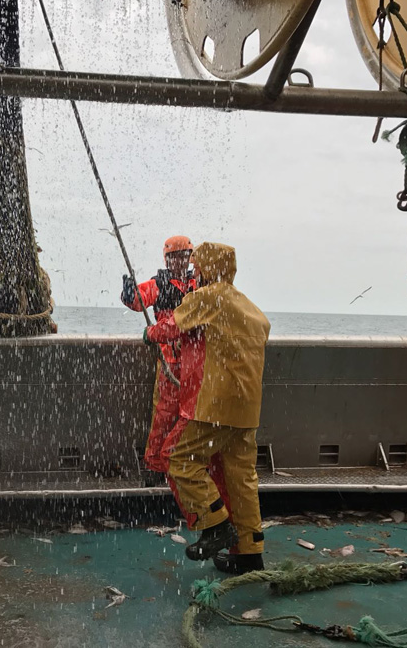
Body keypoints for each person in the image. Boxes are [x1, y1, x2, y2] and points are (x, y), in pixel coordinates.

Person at [145, 242, 270, 574]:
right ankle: (250, 552)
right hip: (247, 412)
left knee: (178, 457)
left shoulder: (207, 297)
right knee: (241, 478)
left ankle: (215, 525)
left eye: (197, 268)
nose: (194, 273)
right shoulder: (253, 310)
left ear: (207, 269)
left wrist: (150, 332)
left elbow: (172, 326)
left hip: (211, 406)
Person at [121, 235, 197, 475]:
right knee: (164, 415)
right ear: (167, 259)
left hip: (197, 363)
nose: (179, 261)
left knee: (195, 416)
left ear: (190, 258)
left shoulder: (200, 284)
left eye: (184, 256)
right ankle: (155, 465)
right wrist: (130, 292)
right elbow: (139, 301)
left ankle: (186, 463)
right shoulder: (160, 283)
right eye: (175, 257)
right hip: (170, 363)